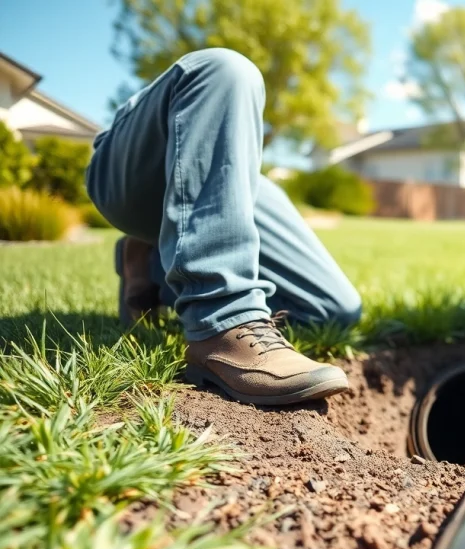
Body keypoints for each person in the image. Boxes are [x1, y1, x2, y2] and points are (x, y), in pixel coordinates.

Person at [86, 48, 363, 406]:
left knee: (334, 309)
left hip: (225, 166)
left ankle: (151, 263)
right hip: (136, 169)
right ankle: (220, 320)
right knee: (225, 69)